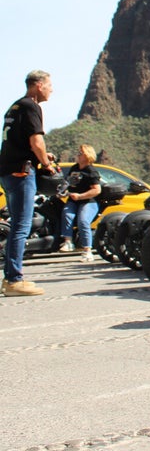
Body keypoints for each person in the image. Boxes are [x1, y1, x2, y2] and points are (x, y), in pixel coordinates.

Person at [0, 70, 57, 296]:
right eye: (49, 85)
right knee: (21, 226)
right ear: (38, 85)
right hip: (22, 174)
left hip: (8, 171)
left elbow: (19, 142)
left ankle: (12, 277)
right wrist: (47, 164)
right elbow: (36, 141)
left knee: (17, 225)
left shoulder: (15, 107)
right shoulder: (32, 106)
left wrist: (43, 155)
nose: (52, 89)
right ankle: (13, 280)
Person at [58, 144, 102, 262]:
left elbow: (97, 190)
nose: (77, 154)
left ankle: (87, 250)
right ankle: (68, 242)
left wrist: (80, 196)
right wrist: (63, 192)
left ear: (87, 155)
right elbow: (67, 184)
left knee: (83, 221)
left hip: (88, 201)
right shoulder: (74, 168)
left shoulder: (91, 171)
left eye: (80, 153)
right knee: (67, 214)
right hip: (73, 200)